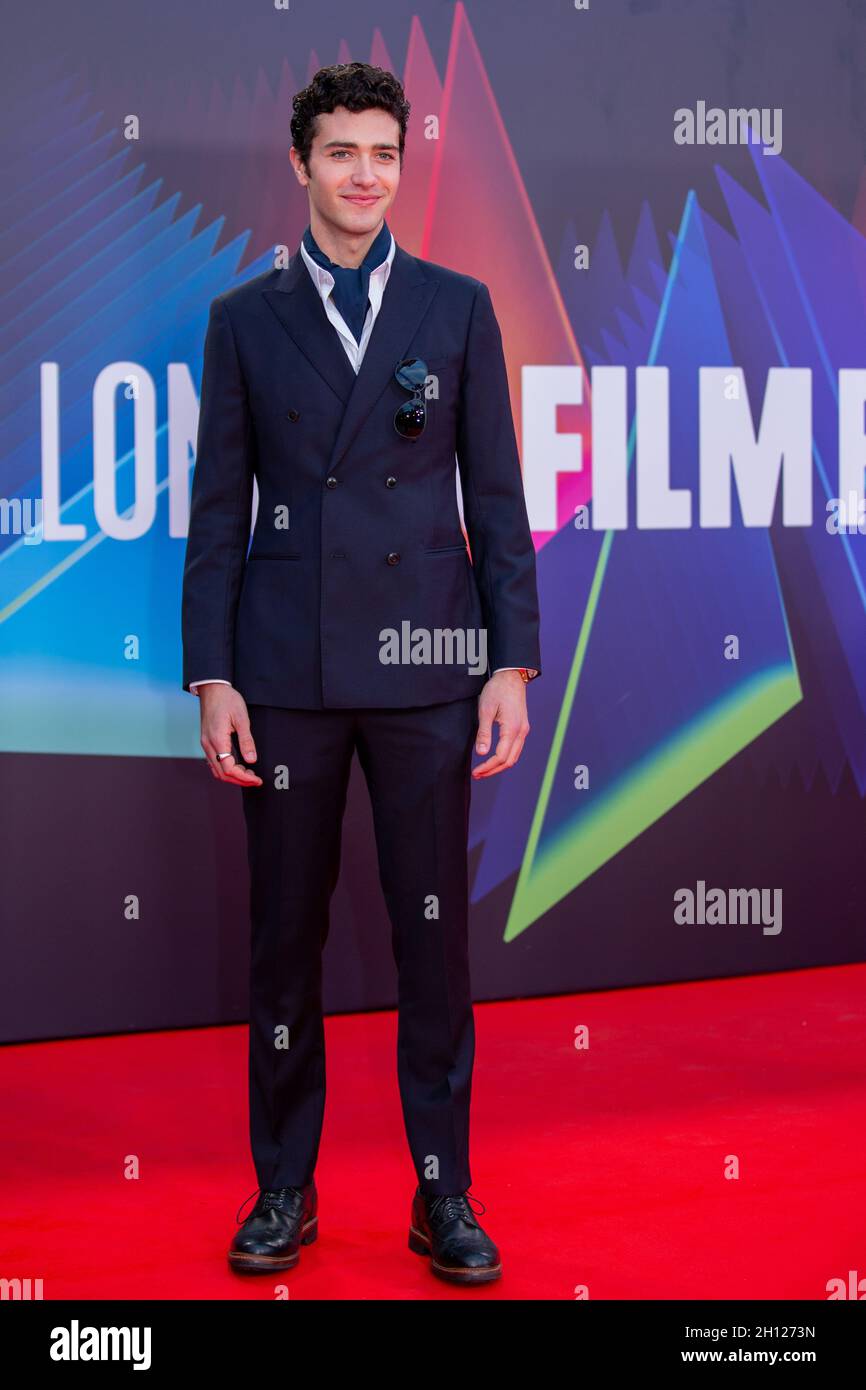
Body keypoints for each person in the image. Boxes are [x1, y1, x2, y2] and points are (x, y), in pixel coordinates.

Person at [181, 60, 541, 1286]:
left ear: (402, 164)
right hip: (283, 672)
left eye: (383, 153)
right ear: (301, 164)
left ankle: (442, 1193)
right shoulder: (243, 318)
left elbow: (495, 500)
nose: (363, 173)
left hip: (429, 667)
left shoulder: (457, 306)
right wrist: (210, 676)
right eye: (341, 152)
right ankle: (283, 1184)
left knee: (432, 943)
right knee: (284, 938)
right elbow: (214, 513)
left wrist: (512, 662)